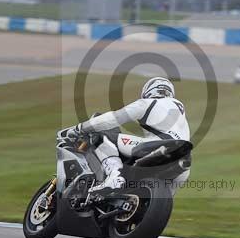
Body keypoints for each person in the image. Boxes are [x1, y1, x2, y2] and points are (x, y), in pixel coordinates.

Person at [58, 77, 190, 197]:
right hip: (183, 163)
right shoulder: (181, 113)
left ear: (149, 90)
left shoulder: (148, 103)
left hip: (159, 146)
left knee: (103, 135)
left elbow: (112, 119)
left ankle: (114, 177)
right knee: (161, 199)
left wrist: (79, 128)